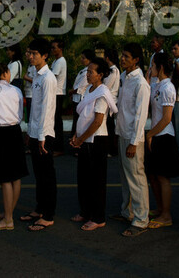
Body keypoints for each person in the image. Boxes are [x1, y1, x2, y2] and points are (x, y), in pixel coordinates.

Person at [69, 58, 117, 231]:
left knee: (96, 180)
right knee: (83, 178)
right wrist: (76, 135)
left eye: (91, 72)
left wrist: (81, 139)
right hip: (84, 139)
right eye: (87, 71)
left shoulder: (103, 93)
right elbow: (83, 116)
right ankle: (85, 211)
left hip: (97, 140)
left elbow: (97, 121)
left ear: (101, 75)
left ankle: (98, 217)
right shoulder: (89, 89)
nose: (87, 74)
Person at [0, 64, 28, 231]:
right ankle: (8, 212)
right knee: (16, 176)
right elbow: (20, 114)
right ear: (6, 73)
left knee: (5, 178)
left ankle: (8, 219)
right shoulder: (16, 90)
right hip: (15, 131)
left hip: (0, 133)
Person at [114, 43, 151, 237]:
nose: (123, 59)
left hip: (132, 138)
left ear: (136, 60)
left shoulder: (141, 84)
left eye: (127, 56)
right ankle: (127, 211)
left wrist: (134, 142)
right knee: (125, 176)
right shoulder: (123, 77)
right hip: (122, 133)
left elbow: (140, 116)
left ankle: (141, 219)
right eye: (122, 55)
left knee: (136, 178)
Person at [22, 38, 58, 232]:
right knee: (38, 174)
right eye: (29, 52)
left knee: (47, 176)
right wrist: (30, 132)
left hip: (45, 134)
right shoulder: (36, 75)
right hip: (36, 132)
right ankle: (39, 209)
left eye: (34, 53)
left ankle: (48, 215)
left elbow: (47, 109)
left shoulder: (48, 78)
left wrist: (42, 136)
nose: (30, 56)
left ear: (45, 56)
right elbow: (34, 109)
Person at [145, 52, 179, 229]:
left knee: (162, 177)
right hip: (156, 135)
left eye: (152, 66)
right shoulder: (157, 85)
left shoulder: (168, 88)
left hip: (164, 136)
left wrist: (150, 134)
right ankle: (160, 208)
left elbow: (167, 118)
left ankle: (166, 215)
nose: (150, 68)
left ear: (160, 68)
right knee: (152, 175)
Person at [70, 50, 95, 139]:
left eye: (83, 58)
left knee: (79, 122)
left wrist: (71, 92)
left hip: (80, 99)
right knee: (75, 121)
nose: (81, 60)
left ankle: (77, 140)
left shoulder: (87, 73)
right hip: (76, 98)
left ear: (90, 59)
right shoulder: (83, 70)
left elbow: (80, 88)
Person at [50, 39, 67, 157]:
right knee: (55, 121)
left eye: (54, 47)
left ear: (60, 49)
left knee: (57, 122)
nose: (52, 50)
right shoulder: (56, 61)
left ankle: (59, 147)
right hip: (55, 93)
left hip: (57, 93)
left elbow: (51, 79)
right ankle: (56, 146)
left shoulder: (60, 61)